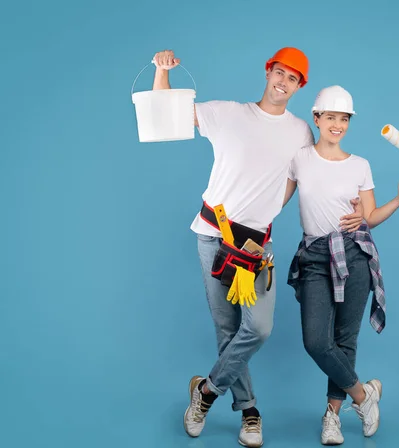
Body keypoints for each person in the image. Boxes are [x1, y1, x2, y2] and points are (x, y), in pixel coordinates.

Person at [151, 50, 365, 447]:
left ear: (300, 87)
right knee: (227, 327)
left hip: (254, 244)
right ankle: (250, 412)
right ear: (268, 72)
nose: (283, 82)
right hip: (212, 234)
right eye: (279, 72)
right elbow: (165, 116)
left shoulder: (301, 131)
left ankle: (206, 392)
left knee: (258, 327)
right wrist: (161, 72)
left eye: (293, 78)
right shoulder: (227, 113)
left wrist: (354, 204)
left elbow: (315, 175)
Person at [285, 85, 399, 445]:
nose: (337, 124)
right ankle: (363, 396)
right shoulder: (299, 158)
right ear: (317, 118)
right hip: (314, 257)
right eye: (331, 117)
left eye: (344, 119)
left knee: (345, 339)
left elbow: (369, 217)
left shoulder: (360, 165)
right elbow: (276, 200)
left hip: (354, 255)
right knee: (316, 341)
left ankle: (332, 416)